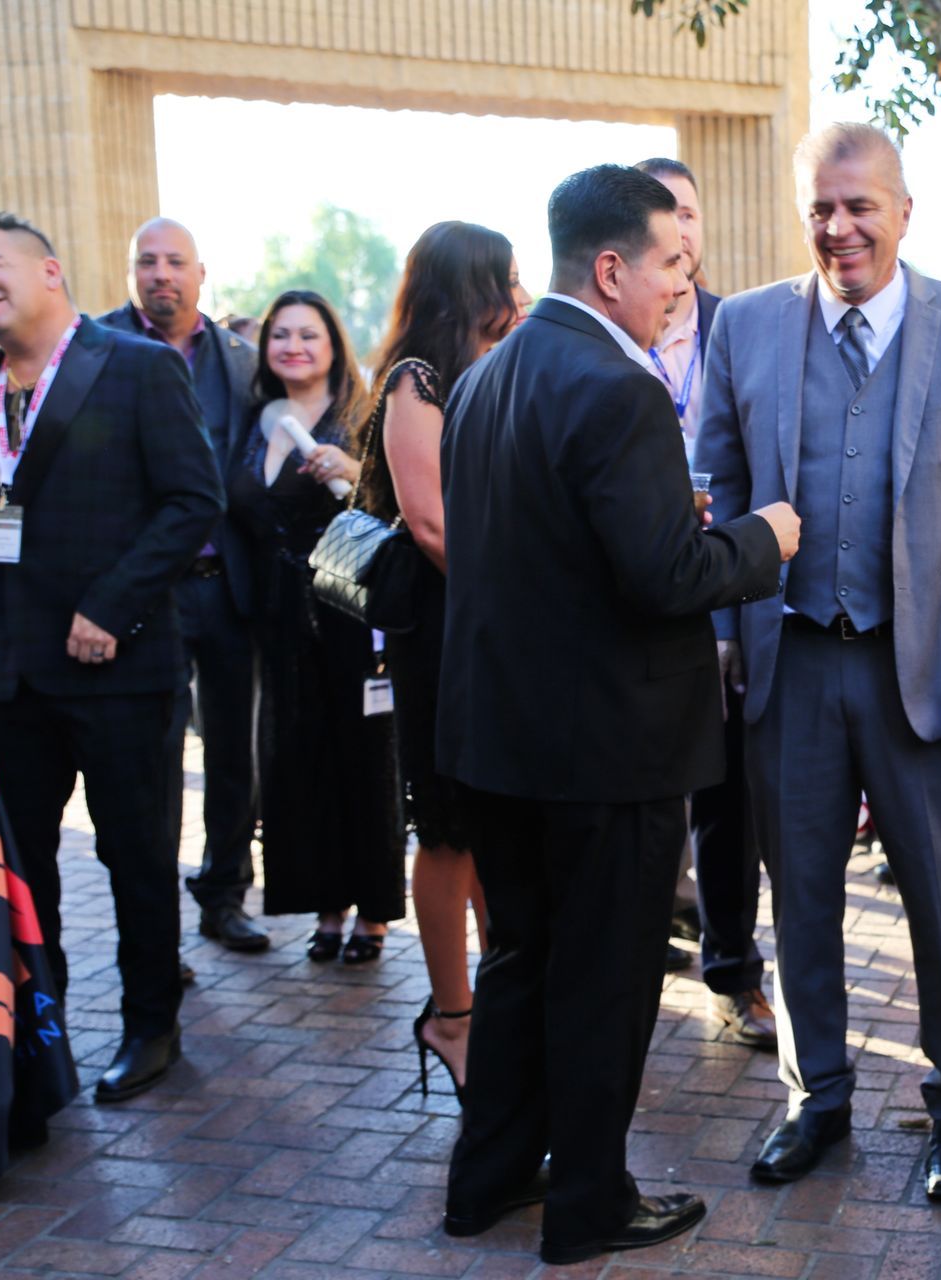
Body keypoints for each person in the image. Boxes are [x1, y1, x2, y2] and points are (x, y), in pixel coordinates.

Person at [436, 165, 797, 1261]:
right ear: (609, 267)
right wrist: (763, 537)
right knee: (603, 982)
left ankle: (487, 1177)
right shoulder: (618, 385)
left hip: (502, 742)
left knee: (521, 966)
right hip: (608, 750)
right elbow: (666, 574)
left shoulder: (485, 381)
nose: (679, 289)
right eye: (669, 266)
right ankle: (590, 1200)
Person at [693, 122, 941, 1200]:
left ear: (902, 209)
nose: (841, 227)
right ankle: (817, 1095)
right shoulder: (744, 325)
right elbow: (716, 473)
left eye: (861, 206)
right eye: (822, 209)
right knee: (798, 894)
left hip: (924, 663)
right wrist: (718, 629)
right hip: (788, 658)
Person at [0, 211, 222, 1100]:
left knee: (134, 855)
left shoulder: (135, 366)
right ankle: (37, 1031)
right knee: (28, 864)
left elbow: (192, 499)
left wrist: (111, 606)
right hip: (15, 671)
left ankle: (150, 1027)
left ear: (50, 271)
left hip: (120, 667)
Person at [354, 220, 525, 1097]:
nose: (521, 290)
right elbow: (429, 524)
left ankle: (501, 994)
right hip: (446, 622)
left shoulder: (491, 372)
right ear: (472, 286)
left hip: (489, 618)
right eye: (508, 275)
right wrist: (525, 595)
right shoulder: (416, 381)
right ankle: (450, 1016)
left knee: (493, 811)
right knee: (449, 821)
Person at [97, 218, 267, 955]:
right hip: (146, 594)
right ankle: (154, 920)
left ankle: (224, 895)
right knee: (149, 763)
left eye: (175, 262)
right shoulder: (96, 348)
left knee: (236, 752)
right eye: (147, 262)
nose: (160, 274)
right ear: (132, 272)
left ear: (202, 274)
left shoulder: (242, 360)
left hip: (227, 585)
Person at [635, 154, 775, 1047]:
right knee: (639, 797)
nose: (677, 231)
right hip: (633, 599)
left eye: (686, 211)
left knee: (730, 802)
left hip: (721, 593)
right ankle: (637, 956)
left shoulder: (747, 329)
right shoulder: (607, 335)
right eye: (658, 217)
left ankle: (732, 972)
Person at [229, 290, 404, 963]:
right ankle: (326, 905)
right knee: (295, 762)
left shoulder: (362, 417)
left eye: (308, 334)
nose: (293, 347)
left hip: (349, 612)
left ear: (333, 343)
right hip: (277, 619)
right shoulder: (254, 418)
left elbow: (397, 505)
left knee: (364, 760)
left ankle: (375, 913)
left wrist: (355, 470)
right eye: (280, 335)